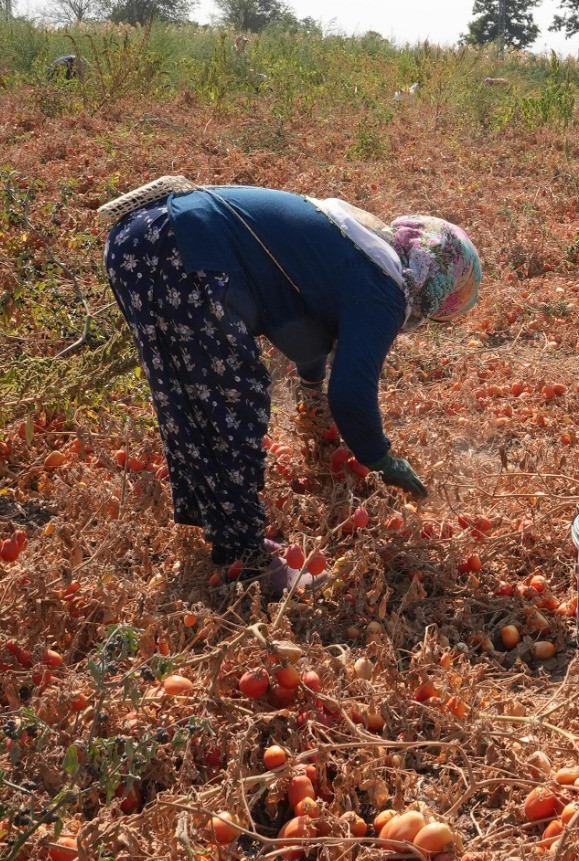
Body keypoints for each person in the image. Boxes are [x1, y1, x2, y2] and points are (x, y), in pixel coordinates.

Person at [102, 185, 481, 595]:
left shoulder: (363, 247)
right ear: (439, 283)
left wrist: (310, 383)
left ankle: (231, 539)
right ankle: (247, 560)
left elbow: (304, 323)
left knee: (190, 394)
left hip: (140, 239)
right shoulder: (385, 288)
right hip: (183, 251)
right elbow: (352, 393)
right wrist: (380, 457)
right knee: (233, 401)